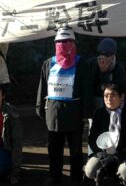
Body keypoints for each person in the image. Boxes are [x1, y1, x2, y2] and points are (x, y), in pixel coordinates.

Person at [36, 27, 89, 186]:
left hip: (75, 113)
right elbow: (42, 87)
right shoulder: (48, 63)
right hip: (54, 113)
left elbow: (86, 89)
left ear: (73, 43)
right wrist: (39, 107)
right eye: (59, 42)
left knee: (76, 149)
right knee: (54, 148)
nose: (63, 44)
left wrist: (86, 113)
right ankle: (54, 175)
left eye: (67, 42)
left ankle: (76, 177)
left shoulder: (82, 64)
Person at [84, 83, 126, 186]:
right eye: (106, 95)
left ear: (122, 96)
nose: (109, 99)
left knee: (125, 172)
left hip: (124, 154)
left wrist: (117, 157)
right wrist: (102, 155)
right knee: (89, 170)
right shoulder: (99, 113)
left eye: (113, 95)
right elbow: (92, 138)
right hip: (103, 154)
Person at [85, 38, 125, 155]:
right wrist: (101, 71)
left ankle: (112, 156)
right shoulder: (91, 64)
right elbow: (88, 87)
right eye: (101, 53)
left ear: (114, 54)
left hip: (113, 105)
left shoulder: (118, 68)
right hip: (95, 105)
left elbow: (117, 89)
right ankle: (93, 156)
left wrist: (105, 73)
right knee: (94, 131)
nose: (104, 57)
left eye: (108, 54)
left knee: (111, 130)